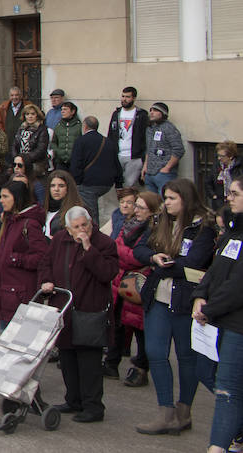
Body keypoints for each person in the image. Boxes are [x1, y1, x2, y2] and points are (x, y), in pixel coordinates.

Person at [134, 177, 216, 435]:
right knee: (156, 352)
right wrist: (152, 256)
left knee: (186, 357)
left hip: (186, 301)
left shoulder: (204, 228)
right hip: (158, 296)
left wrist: (167, 264)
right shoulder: (159, 221)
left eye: (171, 198)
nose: (166, 203)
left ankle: (184, 411)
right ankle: (165, 412)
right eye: (165, 197)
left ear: (186, 199)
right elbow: (138, 249)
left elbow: (194, 262)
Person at [39, 205, 119, 423]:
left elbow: (107, 273)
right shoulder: (59, 240)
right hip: (64, 307)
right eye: (76, 227)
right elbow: (46, 263)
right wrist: (46, 280)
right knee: (68, 358)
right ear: (68, 228)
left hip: (90, 309)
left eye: (85, 225)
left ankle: (93, 406)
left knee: (89, 361)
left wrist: (88, 248)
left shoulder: (104, 243)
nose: (82, 229)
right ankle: (73, 399)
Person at [192, 173, 243, 453]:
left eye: (235, 193)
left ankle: (218, 447)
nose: (228, 198)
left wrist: (209, 310)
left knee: (227, 388)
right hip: (218, 320)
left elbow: (238, 286)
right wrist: (199, 295)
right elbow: (215, 271)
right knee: (207, 372)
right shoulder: (233, 232)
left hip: (236, 323)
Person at [106, 189, 157, 387]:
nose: (136, 210)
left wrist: (127, 256)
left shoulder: (154, 230)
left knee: (139, 328)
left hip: (138, 283)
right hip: (120, 281)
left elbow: (138, 257)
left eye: (141, 207)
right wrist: (130, 256)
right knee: (117, 324)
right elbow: (116, 247)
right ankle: (111, 363)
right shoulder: (128, 224)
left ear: (152, 211)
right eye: (136, 205)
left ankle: (140, 368)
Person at [0, 181, 48, 327]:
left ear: (16, 198)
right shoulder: (9, 221)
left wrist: (16, 259)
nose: (1, 201)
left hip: (20, 297)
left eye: (5, 196)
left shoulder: (29, 224)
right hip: (5, 295)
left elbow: (42, 257)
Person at [69, 115, 118, 227]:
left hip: (88, 184)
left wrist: (77, 182)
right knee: (106, 211)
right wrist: (119, 183)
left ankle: (94, 236)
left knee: (91, 214)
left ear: (84, 126)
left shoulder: (81, 141)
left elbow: (76, 164)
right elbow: (116, 163)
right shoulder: (108, 142)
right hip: (107, 183)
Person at [108, 86, 149, 188]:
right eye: (122, 96)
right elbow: (111, 134)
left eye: (127, 97)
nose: (124, 99)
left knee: (128, 186)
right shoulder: (116, 113)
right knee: (116, 184)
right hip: (118, 154)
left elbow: (146, 136)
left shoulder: (141, 115)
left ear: (133, 98)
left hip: (134, 156)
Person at [143, 102, 184, 195]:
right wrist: (145, 166)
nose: (152, 113)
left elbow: (179, 149)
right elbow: (148, 149)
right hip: (150, 172)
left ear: (162, 113)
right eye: (151, 110)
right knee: (152, 203)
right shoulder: (150, 128)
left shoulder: (169, 128)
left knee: (165, 200)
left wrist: (167, 168)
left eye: (155, 110)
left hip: (163, 173)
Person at [44, 170, 86, 238]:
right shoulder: (43, 210)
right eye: (52, 186)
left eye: (61, 186)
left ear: (68, 188)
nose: (56, 189)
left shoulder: (76, 211)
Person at [13, 104, 49, 172]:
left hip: (35, 164)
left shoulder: (42, 129)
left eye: (33, 114)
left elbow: (41, 149)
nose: (30, 116)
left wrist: (25, 159)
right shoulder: (21, 128)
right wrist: (16, 158)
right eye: (27, 114)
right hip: (20, 163)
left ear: (37, 116)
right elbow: (14, 145)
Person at [51, 101, 81, 172]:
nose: (62, 111)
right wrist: (58, 152)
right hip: (60, 162)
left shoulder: (79, 126)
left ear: (72, 111)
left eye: (65, 109)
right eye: (62, 109)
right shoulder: (58, 126)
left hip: (74, 161)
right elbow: (53, 142)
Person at [213, 141, 242, 211]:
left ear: (230, 156)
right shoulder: (217, 166)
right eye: (218, 155)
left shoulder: (239, 167)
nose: (219, 158)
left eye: (222, 156)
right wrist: (213, 195)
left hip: (234, 201)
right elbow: (208, 182)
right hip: (220, 201)